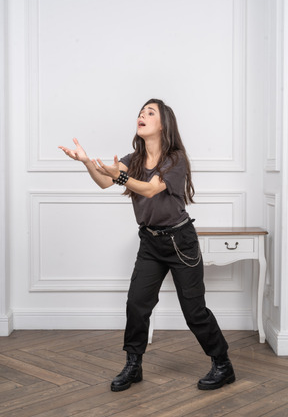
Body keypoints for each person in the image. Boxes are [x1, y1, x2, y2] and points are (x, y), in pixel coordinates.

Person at [59, 98, 235, 392]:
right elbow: (105, 182)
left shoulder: (175, 159)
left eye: (149, 112)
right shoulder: (134, 158)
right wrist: (86, 161)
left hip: (180, 242)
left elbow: (152, 189)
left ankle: (223, 364)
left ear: (163, 123)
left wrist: (121, 177)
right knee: (137, 305)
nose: (142, 115)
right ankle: (133, 365)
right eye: (141, 112)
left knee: (194, 311)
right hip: (150, 242)